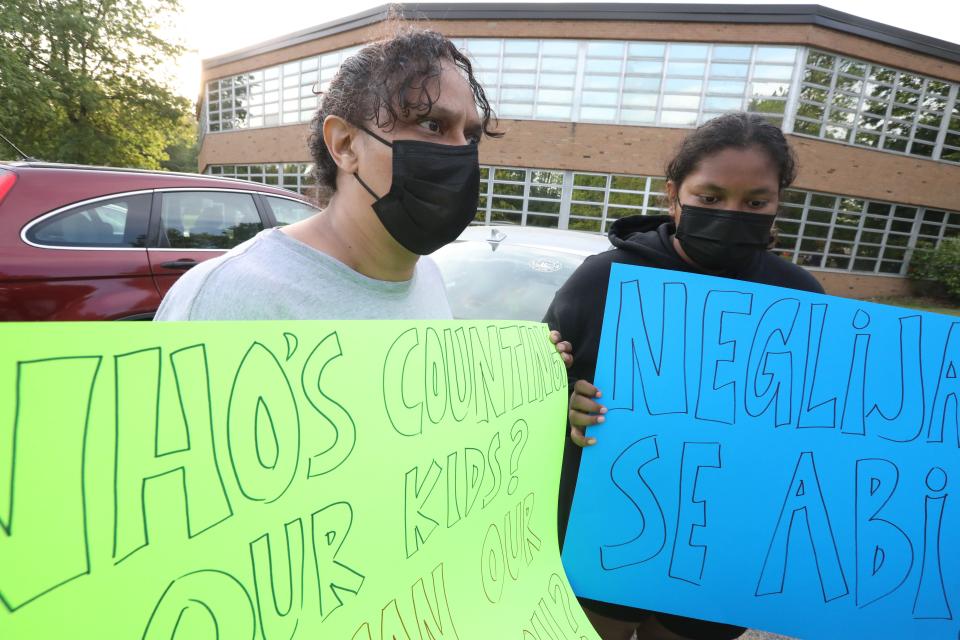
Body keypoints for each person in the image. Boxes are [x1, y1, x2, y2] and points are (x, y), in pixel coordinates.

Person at [543, 112, 824, 640]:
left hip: (724, 543)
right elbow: (537, 382)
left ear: (777, 204)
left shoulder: (800, 297)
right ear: (674, 195)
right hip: (607, 526)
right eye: (711, 197)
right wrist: (564, 405)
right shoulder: (604, 278)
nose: (732, 213)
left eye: (755, 202)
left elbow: (820, 422)